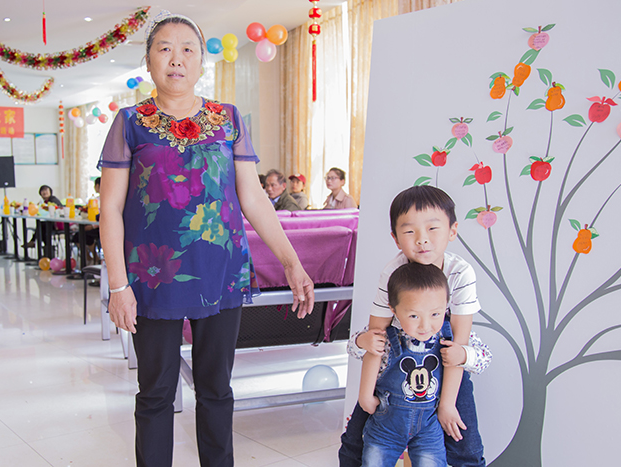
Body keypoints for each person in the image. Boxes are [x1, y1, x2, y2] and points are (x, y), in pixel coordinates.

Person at [97, 11, 314, 467]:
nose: (176, 59)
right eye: (164, 49)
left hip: (221, 272)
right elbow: (110, 209)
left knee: (216, 389)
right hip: (152, 276)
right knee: (155, 392)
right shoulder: (130, 122)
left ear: (200, 62)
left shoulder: (227, 118)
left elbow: (253, 198)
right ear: (149, 61)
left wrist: (291, 263)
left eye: (187, 50)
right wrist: (118, 286)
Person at [339, 185, 489, 467]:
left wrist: (446, 404)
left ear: (452, 231)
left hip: (446, 361)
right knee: (354, 444)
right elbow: (376, 337)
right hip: (397, 363)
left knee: (465, 446)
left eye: (433, 228)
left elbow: (458, 343)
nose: (422, 240)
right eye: (409, 231)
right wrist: (365, 396)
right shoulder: (392, 273)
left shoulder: (460, 273)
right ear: (396, 238)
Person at [358, 262, 454, 466]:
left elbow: (483, 357)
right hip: (386, 426)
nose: (425, 325)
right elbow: (361, 351)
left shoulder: (447, 337)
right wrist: (365, 397)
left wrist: (464, 354)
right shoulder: (387, 337)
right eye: (414, 316)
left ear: (446, 306)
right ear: (393, 310)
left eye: (435, 314)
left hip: (428, 427)